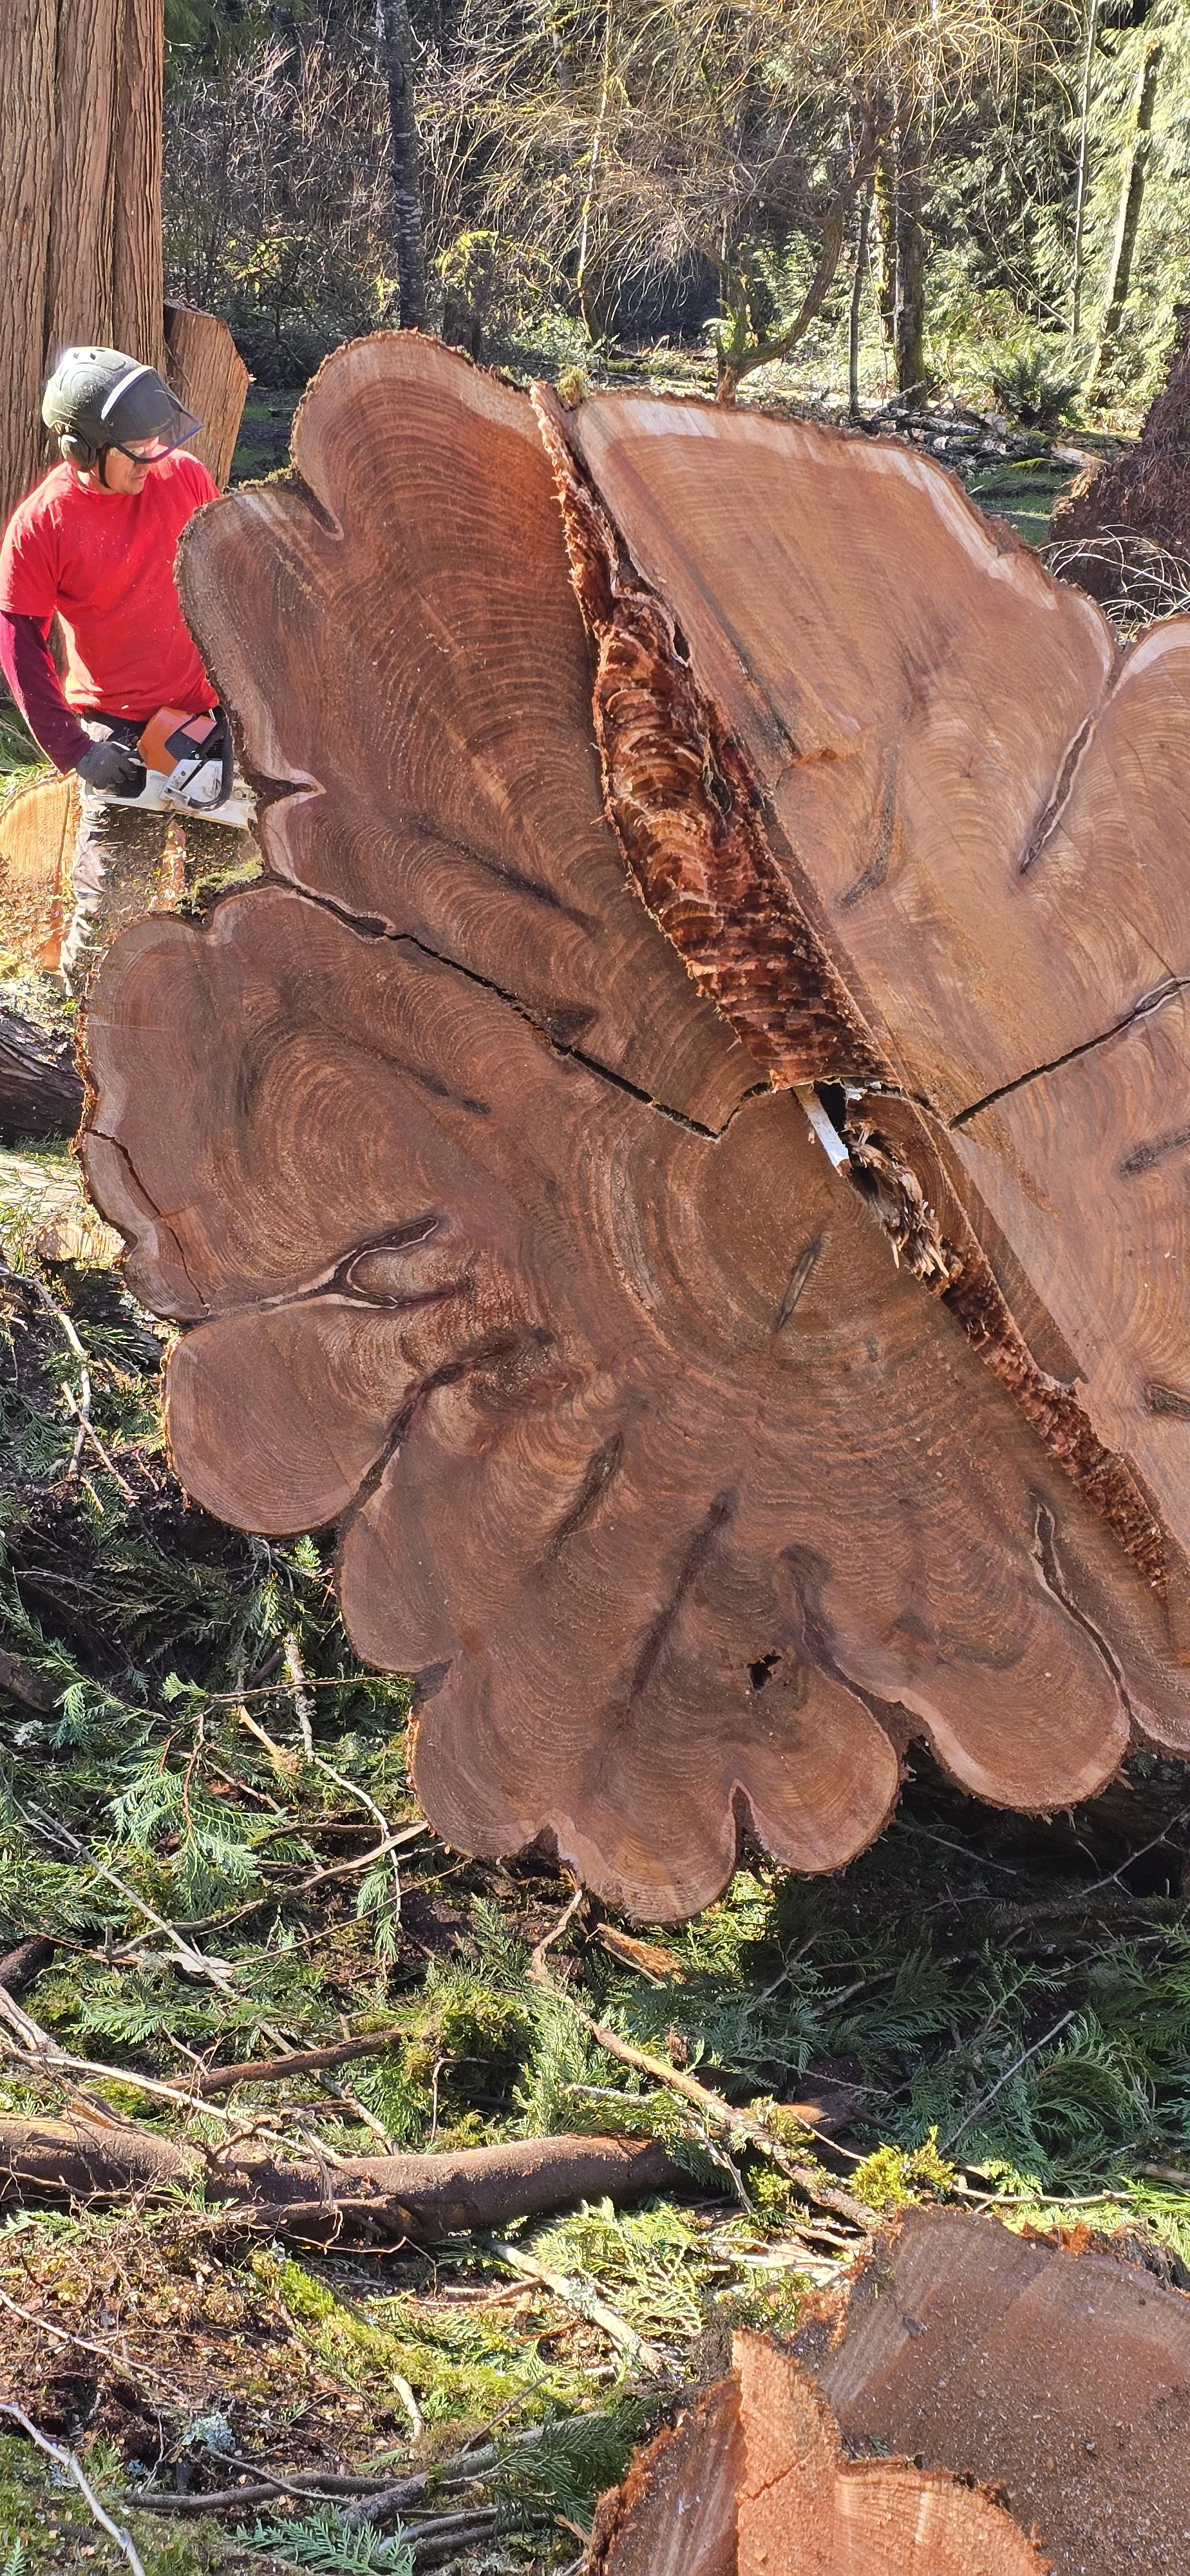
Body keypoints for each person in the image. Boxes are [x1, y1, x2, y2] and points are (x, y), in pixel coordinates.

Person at [0, 346, 254, 992]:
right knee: (111, 910)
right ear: (79, 450)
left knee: (228, 899)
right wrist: (70, 746)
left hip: (205, 719)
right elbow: (19, 643)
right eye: (133, 446)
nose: (151, 457)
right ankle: (85, 1041)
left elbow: (226, 577)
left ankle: (221, 1029)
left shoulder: (185, 477)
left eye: (154, 439)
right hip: (117, 732)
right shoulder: (43, 526)